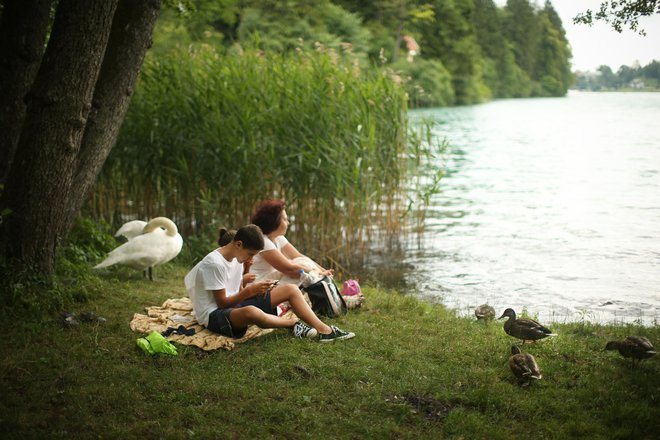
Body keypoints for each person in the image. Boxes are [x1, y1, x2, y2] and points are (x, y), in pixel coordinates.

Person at [184, 224, 354, 342]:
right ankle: (294, 324)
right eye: (250, 254)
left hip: (233, 306)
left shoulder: (237, 257)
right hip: (213, 315)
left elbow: (237, 290)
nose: (251, 259)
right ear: (238, 244)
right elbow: (221, 303)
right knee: (252, 312)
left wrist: (249, 281)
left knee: (290, 289)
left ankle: (325, 331)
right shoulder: (214, 263)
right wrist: (250, 292)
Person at [249, 199, 332, 286]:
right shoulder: (263, 241)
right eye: (285, 219)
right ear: (274, 221)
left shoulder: (278, 238)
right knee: (298, 267)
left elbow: (299, 256)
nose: (288, 223)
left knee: (302, 261)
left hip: (270, 280)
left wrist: (323, 270)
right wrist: (318, 273)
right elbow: (288, 269)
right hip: (257, 284)